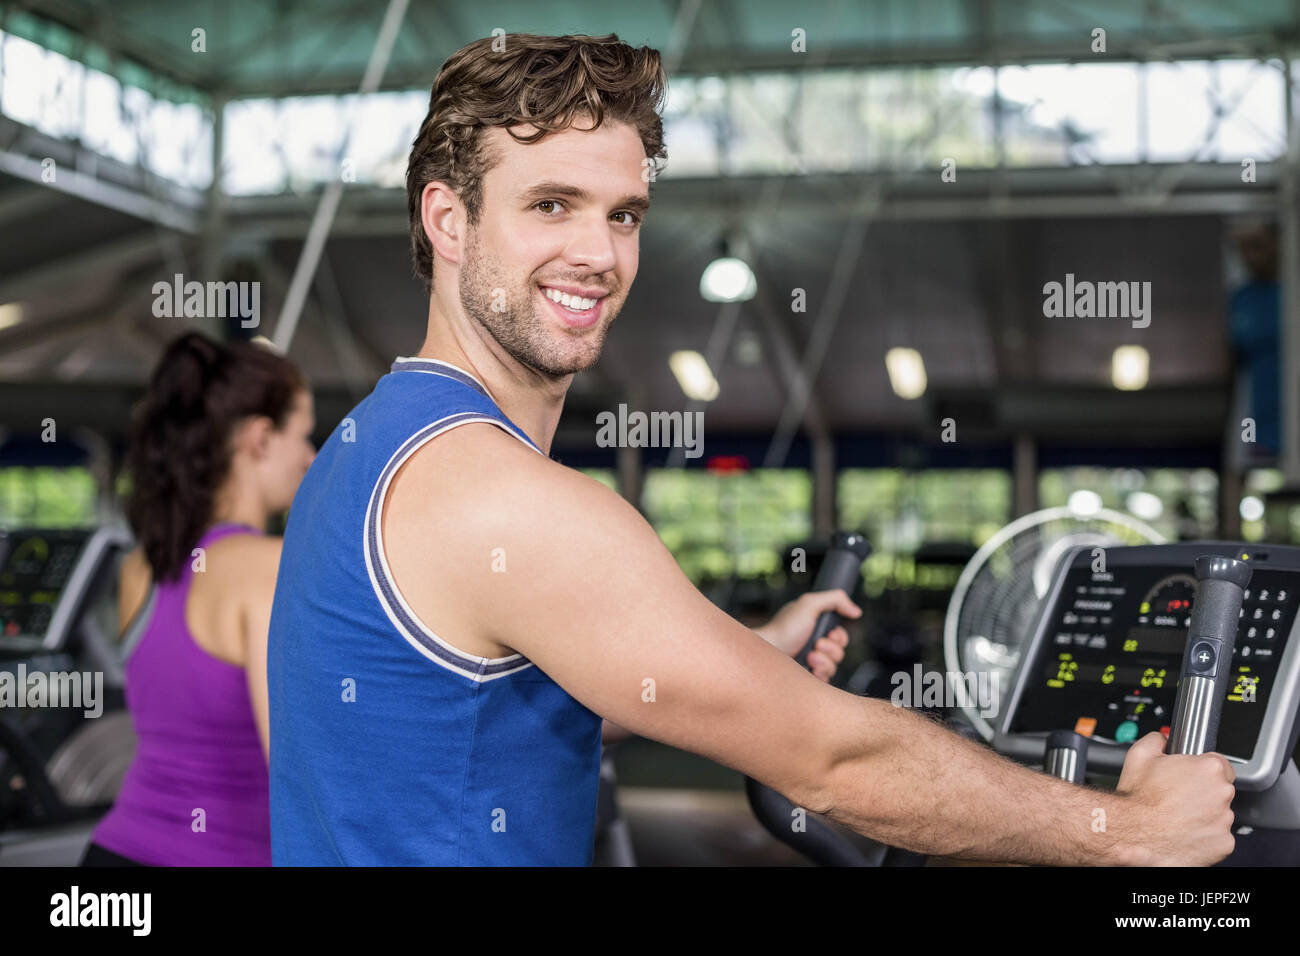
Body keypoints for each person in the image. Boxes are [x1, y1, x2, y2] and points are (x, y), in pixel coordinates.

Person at [267, 33, 1236, 866]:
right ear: (448, 218)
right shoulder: (509, 499)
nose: (600, 254)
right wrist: (1127, 829)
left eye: (624, 213)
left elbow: (439, 720)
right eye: (550, 204)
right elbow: (834, 761)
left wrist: (747, 657)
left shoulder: (362, 445)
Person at [83, 332, 315, 866]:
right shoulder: (270, 567)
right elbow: (297, 772)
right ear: (259, 439)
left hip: (113, 860)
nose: (311, 457)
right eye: (302, 435)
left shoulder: (144, 566)